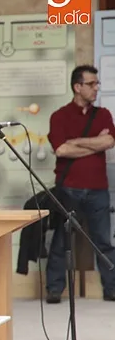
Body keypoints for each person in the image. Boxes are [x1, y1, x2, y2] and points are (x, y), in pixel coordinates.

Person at [45, 65, 115, 303]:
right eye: (91, 84)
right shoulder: (59, 116)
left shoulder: (103, 114)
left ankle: (111, 288)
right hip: (69, 189)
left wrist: (76, 142)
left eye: (97, 83)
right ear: (77, 87)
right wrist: (94, 143)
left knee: (103, 241)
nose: (96, 88)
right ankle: (54, 289)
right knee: (62, 240)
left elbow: (108, 141)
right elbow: (61, 150)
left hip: (98, 189)